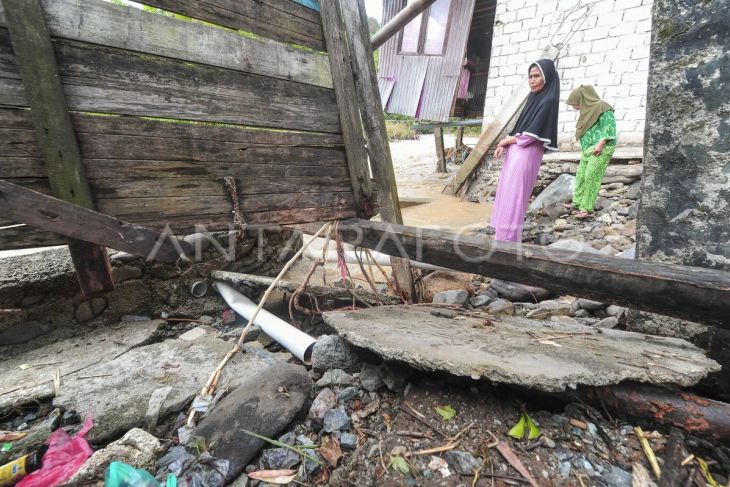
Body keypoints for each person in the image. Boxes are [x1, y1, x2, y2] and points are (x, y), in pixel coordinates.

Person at [490, 59, 560, 242]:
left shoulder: (549, 100)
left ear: (547, 77)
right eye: (530, 76)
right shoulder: (534, 98)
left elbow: (530, 136)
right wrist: (504, 144)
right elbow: (521, 129)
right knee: (507, 192)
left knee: (515, 197)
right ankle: (501, 235)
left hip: (526, 154)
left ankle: (509, 240)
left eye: (537, 76)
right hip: (516, 153)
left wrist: (508, 139)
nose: (532, 80)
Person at [565, 85, 616, 219]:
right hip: (588, 149)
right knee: (581, 175)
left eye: (575, 103)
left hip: (601, 148)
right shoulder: (587, 112)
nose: (574, 106)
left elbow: (609, 127)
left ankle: (586, 208)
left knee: (591, 177)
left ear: (583, 99)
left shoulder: (602, 107)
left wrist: (600, 144)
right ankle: (577, 203)